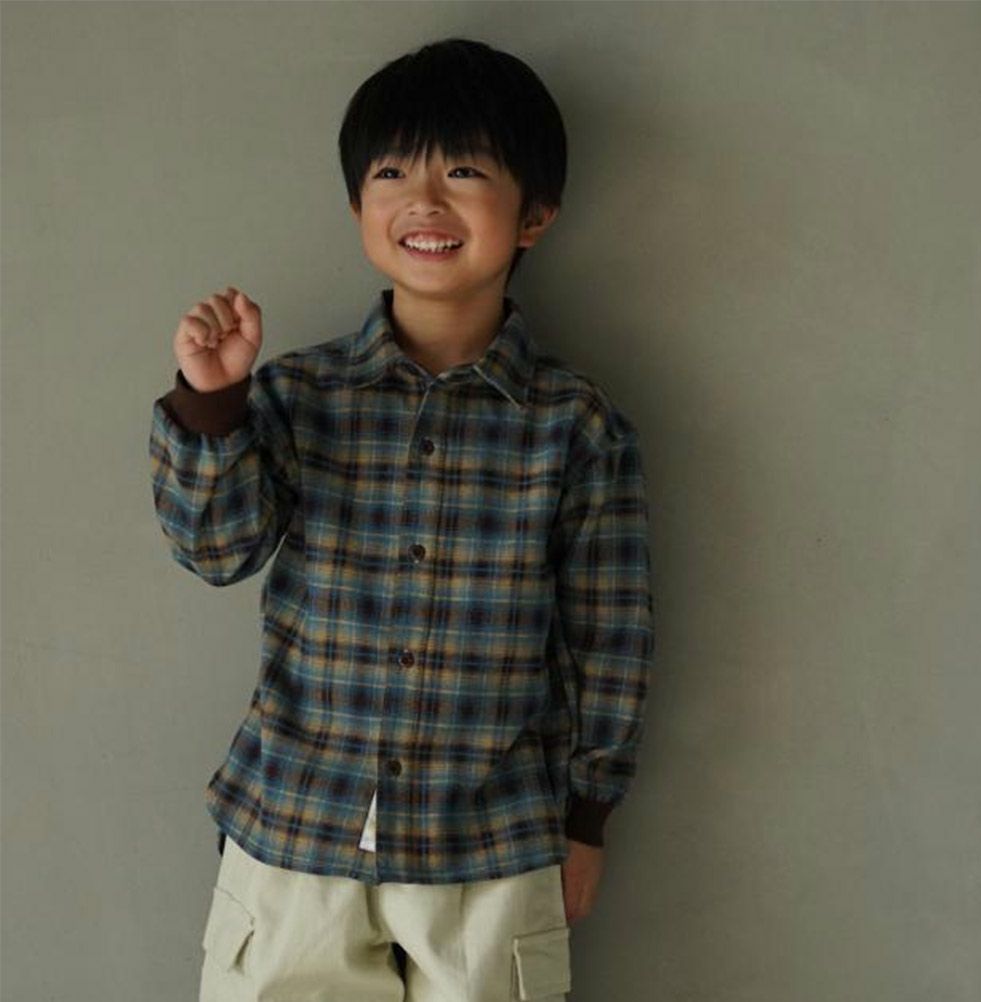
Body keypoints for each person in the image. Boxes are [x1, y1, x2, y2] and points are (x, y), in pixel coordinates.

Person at [148, 36, 654, 1002]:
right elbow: (216, 549)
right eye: (391, 173)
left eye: (464, 171)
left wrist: (588, 818)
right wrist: (213, 401)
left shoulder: (575, 425)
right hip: (295, 833)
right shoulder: (298, 394)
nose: (423, 200)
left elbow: (609, 636)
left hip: (491, 847)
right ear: (357, 208)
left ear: (535, 213)